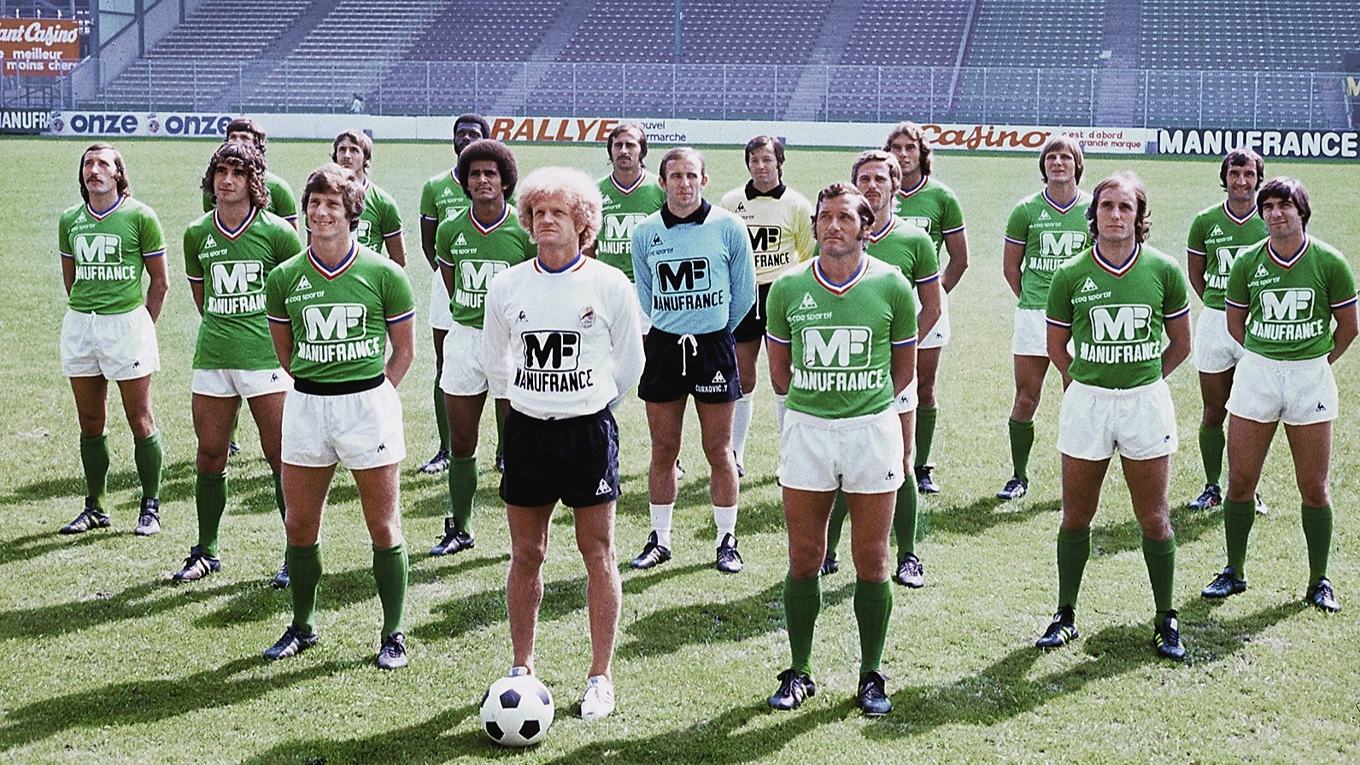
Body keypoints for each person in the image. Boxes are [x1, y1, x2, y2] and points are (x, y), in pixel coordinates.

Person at [483, 166, 645, 722]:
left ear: (583, 222)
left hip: (587, 433)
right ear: (527, 221)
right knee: (527, 552)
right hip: (528, 432)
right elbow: (496, 362)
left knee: (596, 552)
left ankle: (601, 675)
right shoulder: (506, 287)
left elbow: (631, 362)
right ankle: (522, 665)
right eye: (538, 213)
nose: (547, 221)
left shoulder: (609, 285)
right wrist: (530, 405)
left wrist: (592, 403)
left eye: (559, 212)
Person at [765, 182, 917, 715]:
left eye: (845, 218)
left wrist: (862, 405)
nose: (832, 226)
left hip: (870, 430)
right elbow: (780, 376)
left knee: (872, 560)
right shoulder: (786, 288)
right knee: (805, 557)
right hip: (806, 429)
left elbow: (904, 372)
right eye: (824, 217)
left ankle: (871, 673)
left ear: (866, 227)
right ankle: (800, 670)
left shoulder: (894, 286)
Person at [261, 163, 416, 669]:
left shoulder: (384, 274)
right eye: (314, 203)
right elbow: (286, 354)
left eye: (332, 204)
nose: (321, 212)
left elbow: (404, 353)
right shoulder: (284, 278)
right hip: (305, 405)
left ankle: (392, 633)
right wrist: (322, 384)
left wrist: (368, 394)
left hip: (367, 404)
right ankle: (302, 626)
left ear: (352, 212)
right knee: (301, 525)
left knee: (382, 524)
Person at [1037, 172, 1192, 661]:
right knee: (1077, 514)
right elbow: (1056, 346)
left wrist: (1145, 377)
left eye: (1126, 207)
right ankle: (1065, 614)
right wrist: (1085, 380)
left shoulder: (1164, 270)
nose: (1116, 215)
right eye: (1107, 206)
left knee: (1154, 516)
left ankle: (1166, 616)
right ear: (1094, 213)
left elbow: (1181, 343)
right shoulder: (1070, 275)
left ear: (1140, 216)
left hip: (1146, 402)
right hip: (1088, 403)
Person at [1200, 177, 1357, 613]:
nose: (1274, 213)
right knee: (1240, 480)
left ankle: (1319, 580)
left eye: (1284, 205)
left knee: (1313, 485)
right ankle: (1233, 570)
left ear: (1301, 212)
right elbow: (1236, 323)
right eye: (1267, 206)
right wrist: (1266, 356)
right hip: (1259, 374)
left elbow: (1349, 326)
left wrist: (1317, 361)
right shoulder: (1248, 261)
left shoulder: (1329, 261)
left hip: (1310, 377)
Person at [175, 142, 299, 587]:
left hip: (265, 359)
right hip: (213, 356)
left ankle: (295, 553)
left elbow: (294, 300)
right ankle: (206, 550)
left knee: (280, 457)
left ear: (254, 181)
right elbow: (202, 299)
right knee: (210, 454)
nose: (227, 180)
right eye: (221, 172)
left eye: (238, 172)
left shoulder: (278, 234)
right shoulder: (196, 234)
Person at [629, 147, 756, 573]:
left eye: (691, 176)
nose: (684, 184)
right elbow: (647, 294)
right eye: (675, 177)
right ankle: (660, 539)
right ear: (661, 183)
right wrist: (676, 321)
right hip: (665, 348)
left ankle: (726, 539)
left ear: (704, 180)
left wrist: (713, 329)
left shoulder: (728, 226)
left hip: (713, 347)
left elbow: (745, 295)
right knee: (664, 449)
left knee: (718, 450)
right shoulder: (645, 232)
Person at [822, 150, 941, 587]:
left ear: (896, 185)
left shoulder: (914, 241)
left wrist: (898, 354)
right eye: (864, 179)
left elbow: (931, 305)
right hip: (842, 369)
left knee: (902, 461)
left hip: (892, 371)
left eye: (881, 179)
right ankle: (826, 552)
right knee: (835, 464)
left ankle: (908, 555)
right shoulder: (839, 234)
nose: (872, 186)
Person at [58, 143, 169, 538]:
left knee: (139, 418)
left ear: (119, 174)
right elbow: (71, 279)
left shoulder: (140, 216)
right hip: (81, 326)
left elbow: (160, 282)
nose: (95, 169)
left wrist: (142, 325)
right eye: (88, 163)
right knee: (90, 420)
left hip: (126, 325)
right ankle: (96, 506)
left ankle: (150, 507)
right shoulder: (70, 219)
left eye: (104, 163)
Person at [432, 139, 533, 557]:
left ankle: (521, 533)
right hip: (464, 337)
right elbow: (454, 285)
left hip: (511, 341)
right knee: (462, 441)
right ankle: (462, 527)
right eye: (474, 174)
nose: (482, 180)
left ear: (506, 180)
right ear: (465, 182)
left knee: (518, 441)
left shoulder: (522, 230)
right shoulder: (450, 229)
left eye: (490, 173)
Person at [998, 136, 1091, 500]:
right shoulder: (1026, 210)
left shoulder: (1092, 209)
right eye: (1051, 157)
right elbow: (1011, 268)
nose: (1057, 163)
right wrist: (1034, 301)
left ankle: (1077, 480)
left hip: (1081, 318)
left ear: (1076, 165)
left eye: (1065, 157)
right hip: (1035, 315)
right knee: (1026, 398)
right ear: (1043, 165)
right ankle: (1018, 476)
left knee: (1078, 398)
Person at [719, 135, 814, 476]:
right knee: (742, 377)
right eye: (754, 160)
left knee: (782, 378)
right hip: (743, 294)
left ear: (780, 164)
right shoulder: (730, 202)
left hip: (779, 295)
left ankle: (789, 457)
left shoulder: (798, 205)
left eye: (767, 160)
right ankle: (735, 456)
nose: (761, 167)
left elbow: (806, 253)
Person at [1185, 149, 1269, 514]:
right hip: (1216, 322)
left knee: (1254, 413)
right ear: (1226, 177)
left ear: (1258, 179)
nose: (1241, 181)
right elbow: (1196, 274)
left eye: (1248, 174)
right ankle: (1212, 486)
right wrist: (1222, 306)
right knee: (1214, 409)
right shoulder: (1205, 221)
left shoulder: (1271, 220)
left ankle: (1248, 489)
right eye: (1235, 173)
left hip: (1259, 325)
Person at [886, 122, 968, 494]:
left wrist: (933, 297)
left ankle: (920, 466)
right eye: (897, 148)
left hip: (924, 305)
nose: (903, 155)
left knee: (923, 387)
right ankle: (882, 459)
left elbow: (959, 258)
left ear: (922, 154)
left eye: (910, 148)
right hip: (878, 303)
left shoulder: (941, 197)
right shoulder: (873, 193)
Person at [417, 113, 491, 476]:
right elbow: (429, 245)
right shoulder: (435, 186)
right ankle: (446, 449)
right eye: (460, 134)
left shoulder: (497, 181)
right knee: (446, 367)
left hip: (493, 286)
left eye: (473, 134)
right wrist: (452, 280)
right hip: (449, 285)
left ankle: (505, 454)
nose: (465, 139)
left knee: (505, 371)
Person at [589, 122, 666, 292]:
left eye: (630, 145)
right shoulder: (594, 191)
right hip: (606, 285)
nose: (623, 150)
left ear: (642, 151)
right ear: (610, 150)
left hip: (649, 285)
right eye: (618, 145)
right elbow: (587, 244)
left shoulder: (660, 189)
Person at [323, 130, 406, 266]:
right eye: (342, 150)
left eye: (354, 150)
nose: (347, 156)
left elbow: (399, 261)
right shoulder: (320, 201)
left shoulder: (383, 202)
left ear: (365, 158)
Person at [202, 118, 299, 229]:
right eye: (233, 137)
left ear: (257, 145)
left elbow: (291, 235)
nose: (237, 142)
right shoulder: (216, 185)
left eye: (244, 138)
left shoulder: (278, 188)